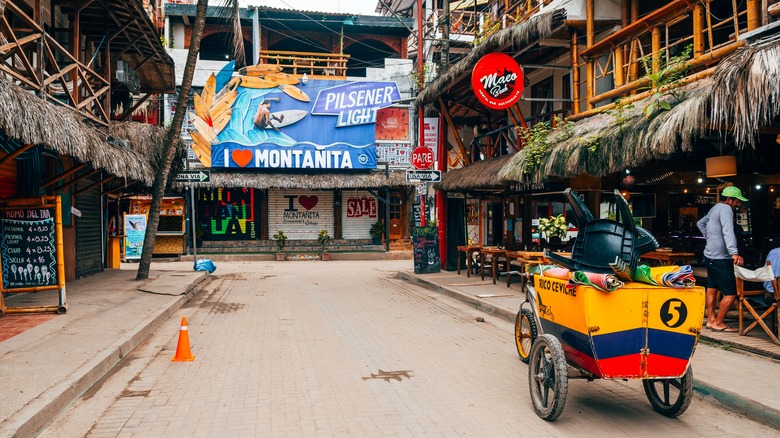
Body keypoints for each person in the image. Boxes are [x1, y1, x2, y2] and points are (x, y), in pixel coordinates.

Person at [697, 186, 747, 332]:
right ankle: (718, 322)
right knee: (731, 293)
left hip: (709, 255)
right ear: (729, 199)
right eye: (737, 201)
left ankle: (711, 320)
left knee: (712, 288)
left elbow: (700, 223)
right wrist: (734, 252)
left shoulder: (715, 208)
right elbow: (728, 231)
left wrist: (710, 238)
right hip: (720, 258)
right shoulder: (726, 209)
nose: (738, 204)